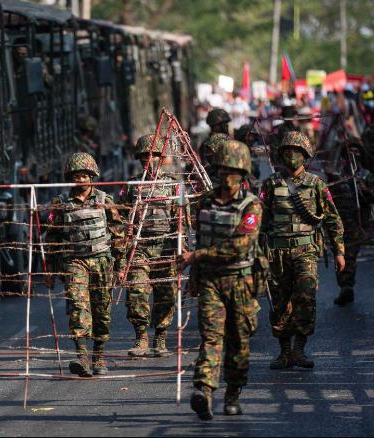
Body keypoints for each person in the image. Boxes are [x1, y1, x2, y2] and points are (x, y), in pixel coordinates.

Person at [181, 139, 262, 420]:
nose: (227, 177)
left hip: (240, 281)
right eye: (223, 170)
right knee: (211, 337)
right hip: (211, 282)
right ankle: (204, 390)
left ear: (243, 173)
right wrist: (195, 275)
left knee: (239, 341)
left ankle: (233, 393)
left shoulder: (252, 206)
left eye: (233, 171)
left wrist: (196, 256)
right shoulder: (205, 202)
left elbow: (239, 246)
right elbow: (200, 238)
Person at [259, 131, 345, 370]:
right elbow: (259, 220)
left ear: (305, 156)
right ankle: (284, 352)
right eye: (287, 152)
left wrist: (339, 251)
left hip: (305, 251)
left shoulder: (316, 184)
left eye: (297, 152)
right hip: (276, 253)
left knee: (306, 297)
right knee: (279, 303)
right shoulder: (271, 184)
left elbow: (332, 219)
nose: (291, 156)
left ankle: (299, 349)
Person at [45, 152, 123, 376]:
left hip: (102, 261)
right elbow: (53, 238)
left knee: (102, 310)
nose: (80, 180)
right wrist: (49, 270)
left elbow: (118, 233)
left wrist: (120, 266)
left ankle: (99, 355)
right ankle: (82, 356)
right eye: (76, 176)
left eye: (84, 176)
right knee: (79, 307)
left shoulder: (104, 200)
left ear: (92, 176)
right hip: (75, 262)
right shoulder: (61, 203)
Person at [119, 134, 179, 357]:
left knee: (166, 294)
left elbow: (183, 217)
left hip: (165, 247)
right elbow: (123, 215)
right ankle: (141, 337)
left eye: (153, 155)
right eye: (144, 157)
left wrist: (182, 248)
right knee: (137, 292)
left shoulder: (173, 185)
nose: (148, 160)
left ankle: (160, 338)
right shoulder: (133, 185)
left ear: (161, 158)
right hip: (141, 247)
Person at [324, 140, 374, 306]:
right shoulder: (337, 176)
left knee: (348, 255)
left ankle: (346, 286)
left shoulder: (365, 175)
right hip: (338, 224)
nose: (353, 154)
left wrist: (364, 188)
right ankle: (344, 286)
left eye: (357, 151)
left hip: (356, 224)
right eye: (350, 151)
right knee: (339, 254)